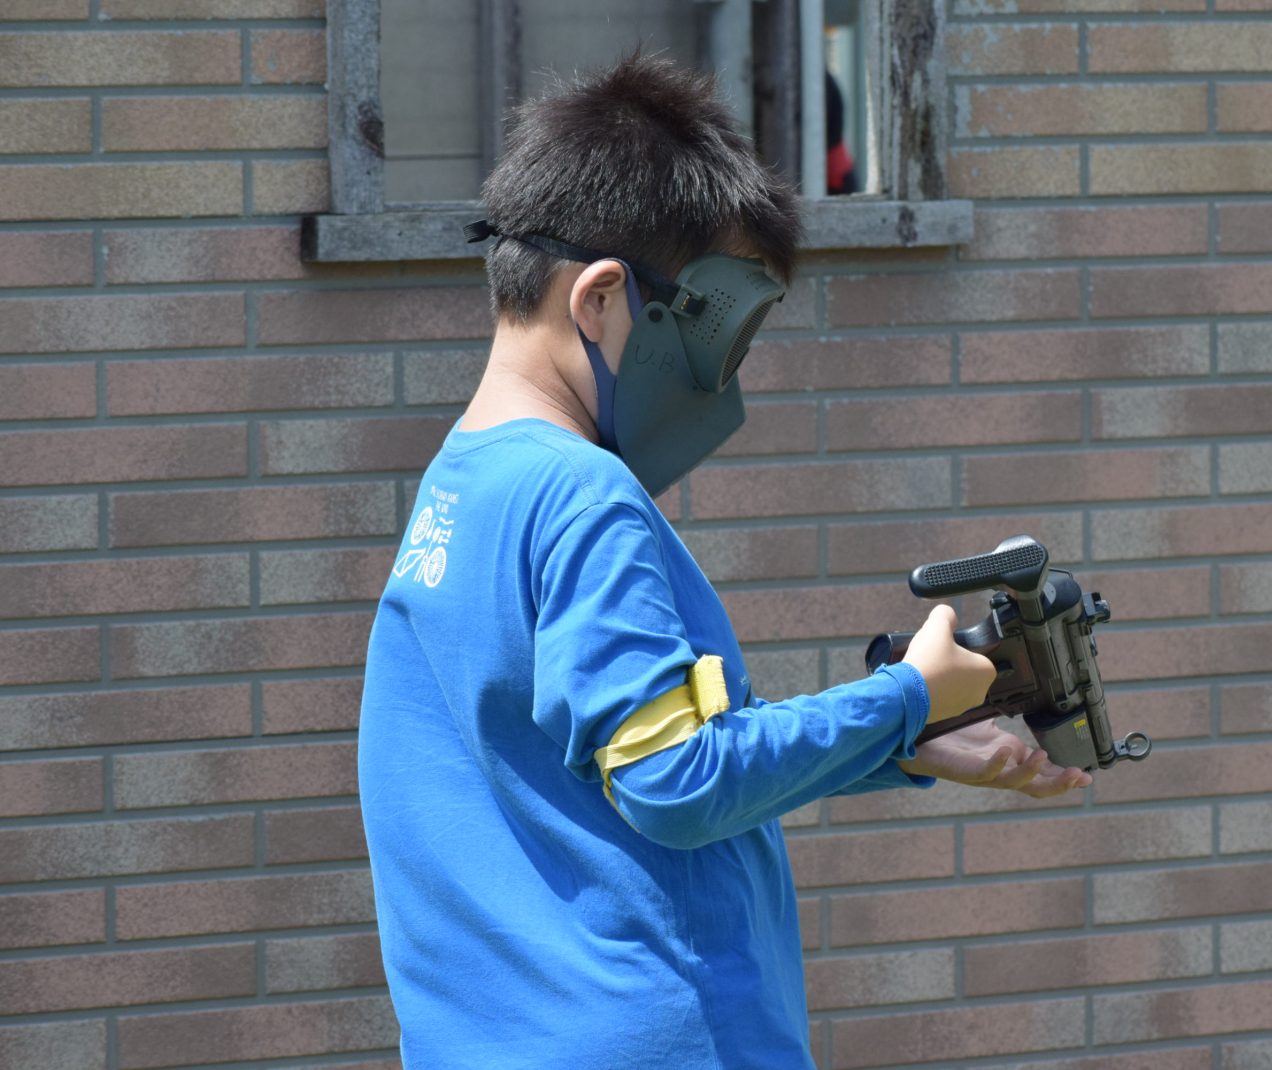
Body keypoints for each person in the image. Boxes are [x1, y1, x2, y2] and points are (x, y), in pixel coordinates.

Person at [357, 52, 1091, 1069]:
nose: (724, 379)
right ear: (601, 299)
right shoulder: (583, 498)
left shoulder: (464, 481)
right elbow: (674, 781)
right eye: (721, 327)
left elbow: (605, 764)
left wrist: (898, 740)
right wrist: (903, 697)